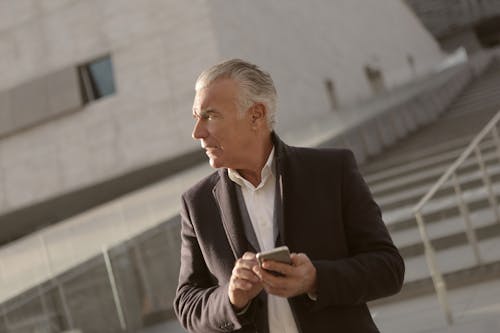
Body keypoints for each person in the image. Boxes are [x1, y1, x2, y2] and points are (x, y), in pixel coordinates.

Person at [174, 59, 404, 332]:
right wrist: (230, 298)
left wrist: (316, 279)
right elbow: (187, 305)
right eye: (196, 117)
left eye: (210, 116)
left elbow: (388, 269)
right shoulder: (196, 204)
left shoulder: (332, 171)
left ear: (256, 115)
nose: (197, 132)